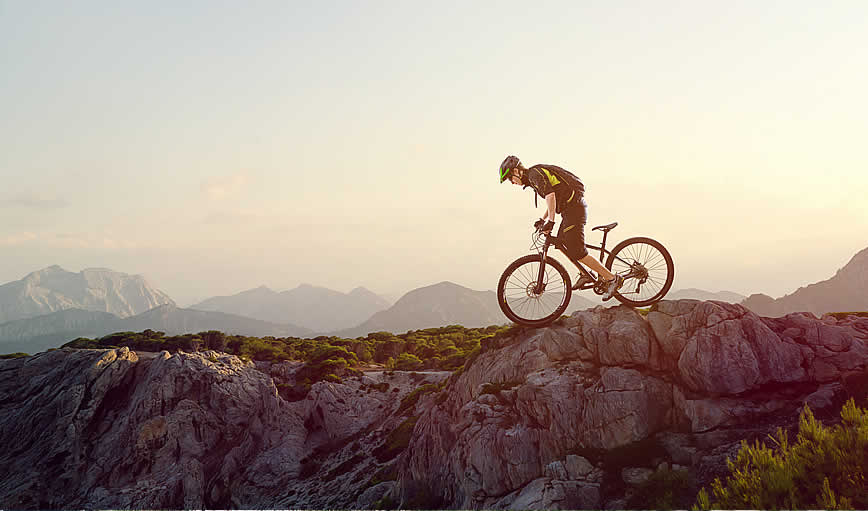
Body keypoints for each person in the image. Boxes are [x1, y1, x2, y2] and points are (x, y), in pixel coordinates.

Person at [499, 155, 624, 301]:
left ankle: (612, 278)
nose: (512, 183)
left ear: (516, 171)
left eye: (510, 179)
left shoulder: (534, 174)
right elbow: (552, 199)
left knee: (578, 251)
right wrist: (543, 219)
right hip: (569, 210)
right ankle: (585, 274)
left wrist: (551, 222)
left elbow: (551, 195)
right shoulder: (533, 178)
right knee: (561, 243)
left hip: (575, 209)